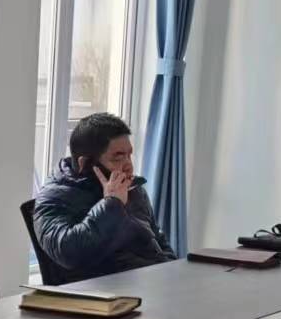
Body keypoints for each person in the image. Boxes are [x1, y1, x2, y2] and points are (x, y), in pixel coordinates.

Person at [32, 112, 176, 282]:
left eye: (129, 155)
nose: (129, 166)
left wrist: (172, 272)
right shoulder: (53, 198)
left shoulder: (133, 190)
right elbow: (68, 253)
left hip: (150, 283)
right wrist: (112, 204)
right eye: (118, 158)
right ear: (85, 164)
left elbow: (158, 240)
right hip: (103, 291)